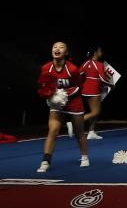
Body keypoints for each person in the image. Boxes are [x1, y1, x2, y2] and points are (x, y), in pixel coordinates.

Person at [36, 42, 89, 172]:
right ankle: (45, 161)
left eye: (61, 47)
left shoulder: (73, 69)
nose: (57, 49)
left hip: (74, 101)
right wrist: (49, 95)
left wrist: (64, 96)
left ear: (66, 53)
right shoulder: (45, 68)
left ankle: (84, 156)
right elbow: (44, 85)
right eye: (55, 47)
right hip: (57, 104)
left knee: (79, 132)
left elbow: (79, 87)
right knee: (53, 130)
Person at [80, 45, 114, 140]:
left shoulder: (85, 63)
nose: (101, 53)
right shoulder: (99, 64)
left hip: (85, 90)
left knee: (94, 111)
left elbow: (78, 75)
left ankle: (91, 132)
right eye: (100, 51)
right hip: (94, 89)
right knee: (96, 112)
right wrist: (111, 85)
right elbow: (103, 79)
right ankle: (74, 122)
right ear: (95, 53)